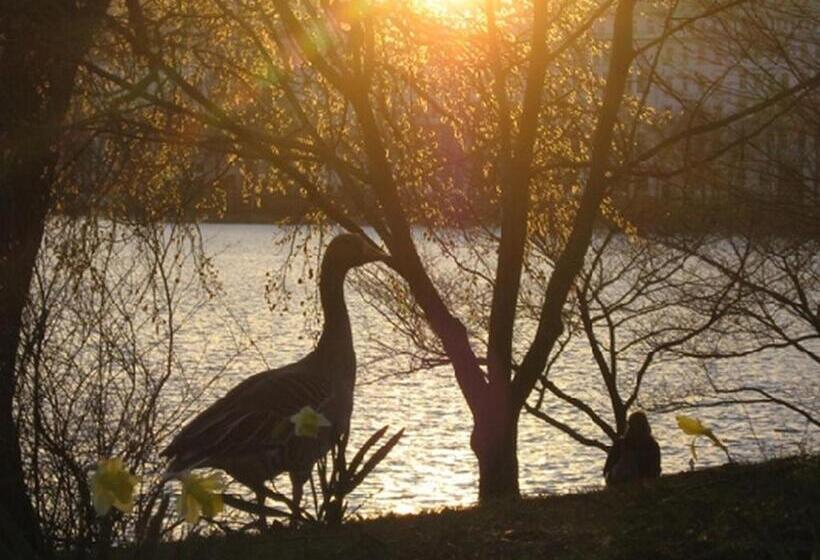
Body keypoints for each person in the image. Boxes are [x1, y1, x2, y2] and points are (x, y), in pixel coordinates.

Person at [603, 411, 661, 485]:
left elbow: (606, 471)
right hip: (635, 484)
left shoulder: (620, 444)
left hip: (622, 484)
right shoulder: (652, 446)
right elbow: (655, 472)